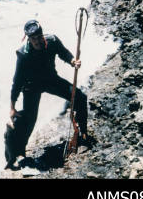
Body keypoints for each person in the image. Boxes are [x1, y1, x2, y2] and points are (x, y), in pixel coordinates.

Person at [9, 19, 88, 159]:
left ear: (42, 35)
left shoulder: (52, 41)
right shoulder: (23, 55)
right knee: (29, 119)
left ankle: (82, 133)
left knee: (80, 97)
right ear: (28, 39)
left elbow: (64, 53)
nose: (37, 41)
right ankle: (18, 153)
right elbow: (17, 82)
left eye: (39, 37)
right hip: (31, 87)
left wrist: (72, 61)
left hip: (51, 80)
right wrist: (12, 106)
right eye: (33, 39)